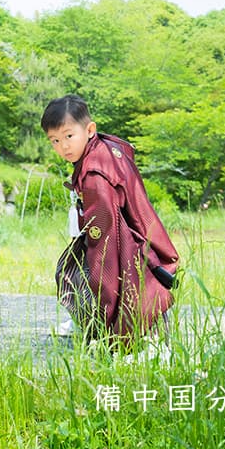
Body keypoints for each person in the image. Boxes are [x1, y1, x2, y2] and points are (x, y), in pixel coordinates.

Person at [42, 94, 179, 350]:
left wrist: (104, 289)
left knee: (114, 280)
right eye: (55, 141)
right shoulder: (104, 148)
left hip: (126, 237)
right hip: (140, 231)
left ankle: (138, 342)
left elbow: (105, 243)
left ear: (89, 129)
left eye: (69, 136)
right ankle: (88, 321)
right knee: (81, 270)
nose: (63, 146)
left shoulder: (95, 174)